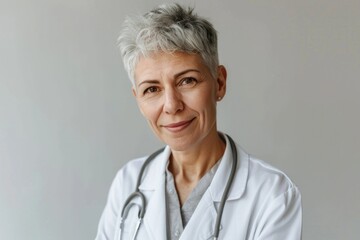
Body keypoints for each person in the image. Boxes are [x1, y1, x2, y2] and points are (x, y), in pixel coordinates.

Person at [95, 3, 302, 240]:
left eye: (187, 81)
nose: (172, 105)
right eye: (152, 89)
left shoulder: (272, 195)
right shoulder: (128, 183)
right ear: (138, 99)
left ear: (219, 83)